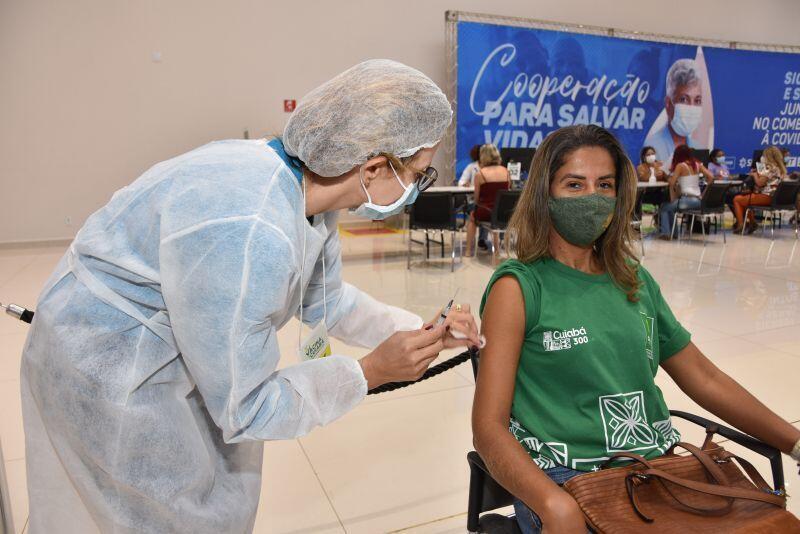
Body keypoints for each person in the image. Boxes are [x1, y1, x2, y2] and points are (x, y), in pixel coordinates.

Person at [20, 59, 482, 534]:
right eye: (421, 174)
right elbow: (248, 408)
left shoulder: (304, 195)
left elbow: (328, 303)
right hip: (110, 372)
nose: (416, 189)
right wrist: (369, 373)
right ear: (374, 167)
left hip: (173, 352)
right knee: (155, 515)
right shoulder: (253, 230)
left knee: (213, 496)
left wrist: (421, 332)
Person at [471, 125, 800, 534]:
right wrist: (553, 504)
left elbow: (705, 377)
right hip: (566, 478)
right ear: (545, 193)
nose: (592, 197)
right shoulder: (518, 288)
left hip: (656, 469)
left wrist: (794, 442)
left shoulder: (632, 280)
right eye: (574, 184)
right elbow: (489, 428)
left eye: (604, 184)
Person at [643, 59, 703, 168]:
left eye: (697, 100)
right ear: (668, 104)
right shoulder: (652, 147)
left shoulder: (698, 148)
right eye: (684, 99)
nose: (691, 107)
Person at [658, 144, 714, 239]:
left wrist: (667, 177)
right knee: (670, 207)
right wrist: (704, 193)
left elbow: (672, 182)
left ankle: (666, 233)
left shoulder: (680, 165)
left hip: (686, 200)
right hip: (698, 200)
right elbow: (711, 177)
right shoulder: (697, 164)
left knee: (664, 207)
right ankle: (673, 233)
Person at [465, 144, 510, 256]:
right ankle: (498, 251)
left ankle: (468, 251)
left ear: (483, 157)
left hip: (486, 213)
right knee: (495, 220)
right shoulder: (506, 172)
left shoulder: (480, 174)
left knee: (472, 217)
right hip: (502, 213)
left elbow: (476, 199)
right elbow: (507, 194)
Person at [732, 145, 788, 234]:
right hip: (775, 198)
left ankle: (741, 224)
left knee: (737, 199)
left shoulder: (769, 168)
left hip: (767, 196)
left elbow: (760, 183)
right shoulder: (780, 169)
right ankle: (752, 223)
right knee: (745, 200)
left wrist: (754, 175)